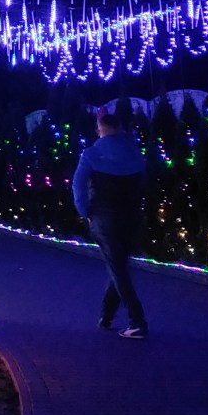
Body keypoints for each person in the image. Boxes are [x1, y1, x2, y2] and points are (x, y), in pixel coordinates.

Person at [72, 109, 148, 338]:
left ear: (99, 130)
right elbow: (145, 180)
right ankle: (106, 315)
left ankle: (138, 321)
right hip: (131, 217)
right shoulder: (134, 152)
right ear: (119, 128)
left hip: (104, 218)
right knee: (119, 266)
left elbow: (77, 185)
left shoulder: (91, 154)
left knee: (118, 268)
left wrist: (84, 211)